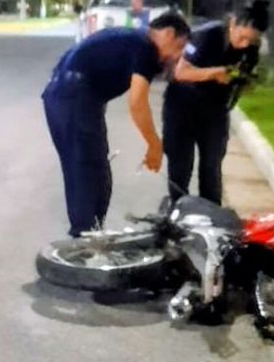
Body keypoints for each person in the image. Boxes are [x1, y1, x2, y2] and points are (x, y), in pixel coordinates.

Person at [43, 13, 191, 237]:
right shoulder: (146, 48)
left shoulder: (132, 39)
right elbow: (137, 102)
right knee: (88, 175)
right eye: (179, 47)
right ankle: (83, 242)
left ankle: (88, 235)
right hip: (73, 98)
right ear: (169, 34)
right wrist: (154, 145)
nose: (176, 55)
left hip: (66, 97)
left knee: (93, 174)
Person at [163, 3, 269, 205]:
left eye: (251, 40)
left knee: (212, 166)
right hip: (182, 106)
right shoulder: (205, 36)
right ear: (233, 24)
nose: (245, 44)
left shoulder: (251, 48)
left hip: (215, 109)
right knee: (180, 165)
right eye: (242, 37)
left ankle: (211, 212)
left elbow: (244, 77)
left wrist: (244, 81)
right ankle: (178, 210)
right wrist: (215, 73)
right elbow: (181, 72)